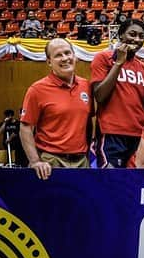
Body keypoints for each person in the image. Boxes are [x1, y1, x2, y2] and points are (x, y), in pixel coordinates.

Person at [91, 20, 144, 168]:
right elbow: (99, 96)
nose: (137, 39)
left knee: (132, 184)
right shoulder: (104, 58)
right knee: (111, 183)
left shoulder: (143, 66)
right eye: (132, 34)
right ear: (121, 35)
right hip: (111, 133)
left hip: (137, 134)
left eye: (141, 36)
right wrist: (118, 63)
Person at [20, 39, 93, 179]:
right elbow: (25, 127)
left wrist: (87, 154)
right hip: (50, 161)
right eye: (58, 55)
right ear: (49, 62)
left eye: (67, 53)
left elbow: (88, 123)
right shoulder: (37, 90)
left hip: (82, 162)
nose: (65, 58)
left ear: (75, 56)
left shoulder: (86, 86)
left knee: (82, 201)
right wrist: (35, 161)